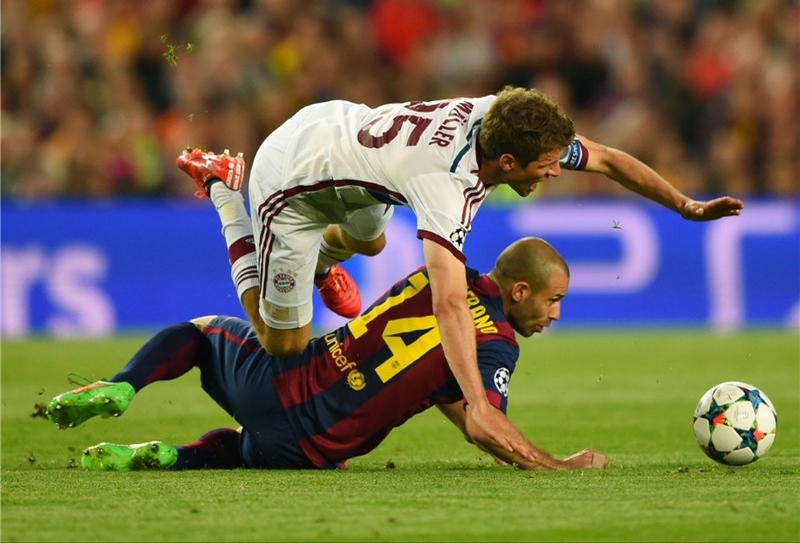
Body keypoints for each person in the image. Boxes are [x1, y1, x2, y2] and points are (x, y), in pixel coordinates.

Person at [174, 85, 744, 462]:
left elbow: (609, 159)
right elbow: (448, 304)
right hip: (292, 176)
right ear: (506, 164)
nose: (553, 173)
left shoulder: (503, 119)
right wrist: (477, 403)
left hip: (346, 141)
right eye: (545, 167)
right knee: (283, 341)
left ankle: (320, 265)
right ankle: (224, 187)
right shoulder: (447, 187)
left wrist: (686, 206)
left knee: (370, 241)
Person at [44, 237, 608, 472]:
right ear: (519, 291)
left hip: (273, 385)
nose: (556, 315)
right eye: (553, 300)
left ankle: (124, 384)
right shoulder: (497, 344)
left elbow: (446, 388)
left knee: (198, 334)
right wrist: (559, 465)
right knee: (246, 450)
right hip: (313, 450)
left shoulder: (437, 279)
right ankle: (171, 457)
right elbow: (484, 423)